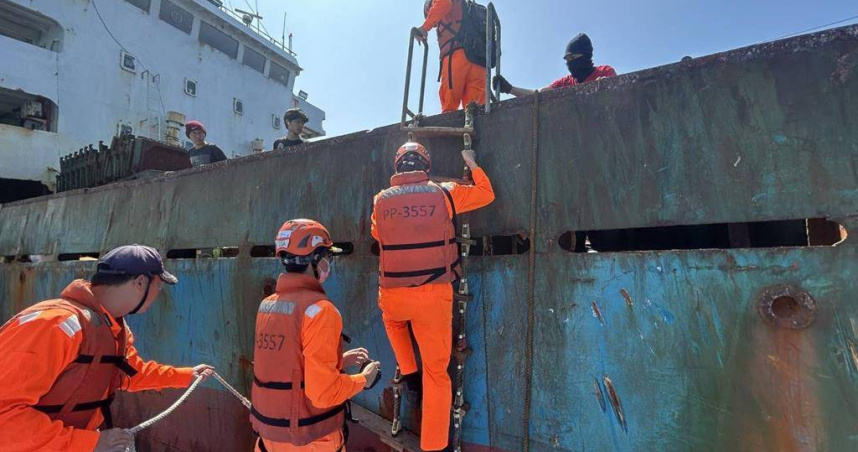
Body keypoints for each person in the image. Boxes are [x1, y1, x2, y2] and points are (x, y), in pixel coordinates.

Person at [0, 245, 215, 452]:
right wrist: (88, 443)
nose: (159, 292)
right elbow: (4, 417)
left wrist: (186, 376)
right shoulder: (55, 326)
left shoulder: (112, 329)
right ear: (141, 282)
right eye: (158, 284)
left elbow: (130, 374)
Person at [371, 142, 495, 451]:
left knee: (394, 323)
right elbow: (486, 195)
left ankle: (409, 373)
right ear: (426, 165)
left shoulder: (379, 200)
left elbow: (377, 234)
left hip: (393, 296)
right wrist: (471, 161)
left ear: (397, 167)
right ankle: (434, 446)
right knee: (438, 375)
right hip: (433, 297)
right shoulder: (445, 192)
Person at [252, 219, 381, 452]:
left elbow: (287, 363)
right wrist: (364, 380)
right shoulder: (320, 310)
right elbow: (322, 393)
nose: (328, 264)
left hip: (270, 439)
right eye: (327, 257)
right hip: (309, 440)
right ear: (315, 260)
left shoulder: (267, 306)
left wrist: (340, 359)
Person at [416, 0, 487, 113]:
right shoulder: (467, 9)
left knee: (449, 108)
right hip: (478, 62)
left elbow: (444, 4)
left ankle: (449, 130)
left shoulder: (440, 4)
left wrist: (425, 27)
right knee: (477, 111)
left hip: (456, 57)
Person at [494, 33, 617, 96]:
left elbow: (620, 96)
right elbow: (537, 94)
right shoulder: (566, 82)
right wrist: (510, 89)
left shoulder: (605, 71)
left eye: (572, 57)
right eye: (567, 59)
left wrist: (606, 86)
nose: (569, 63)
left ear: (585, 55)